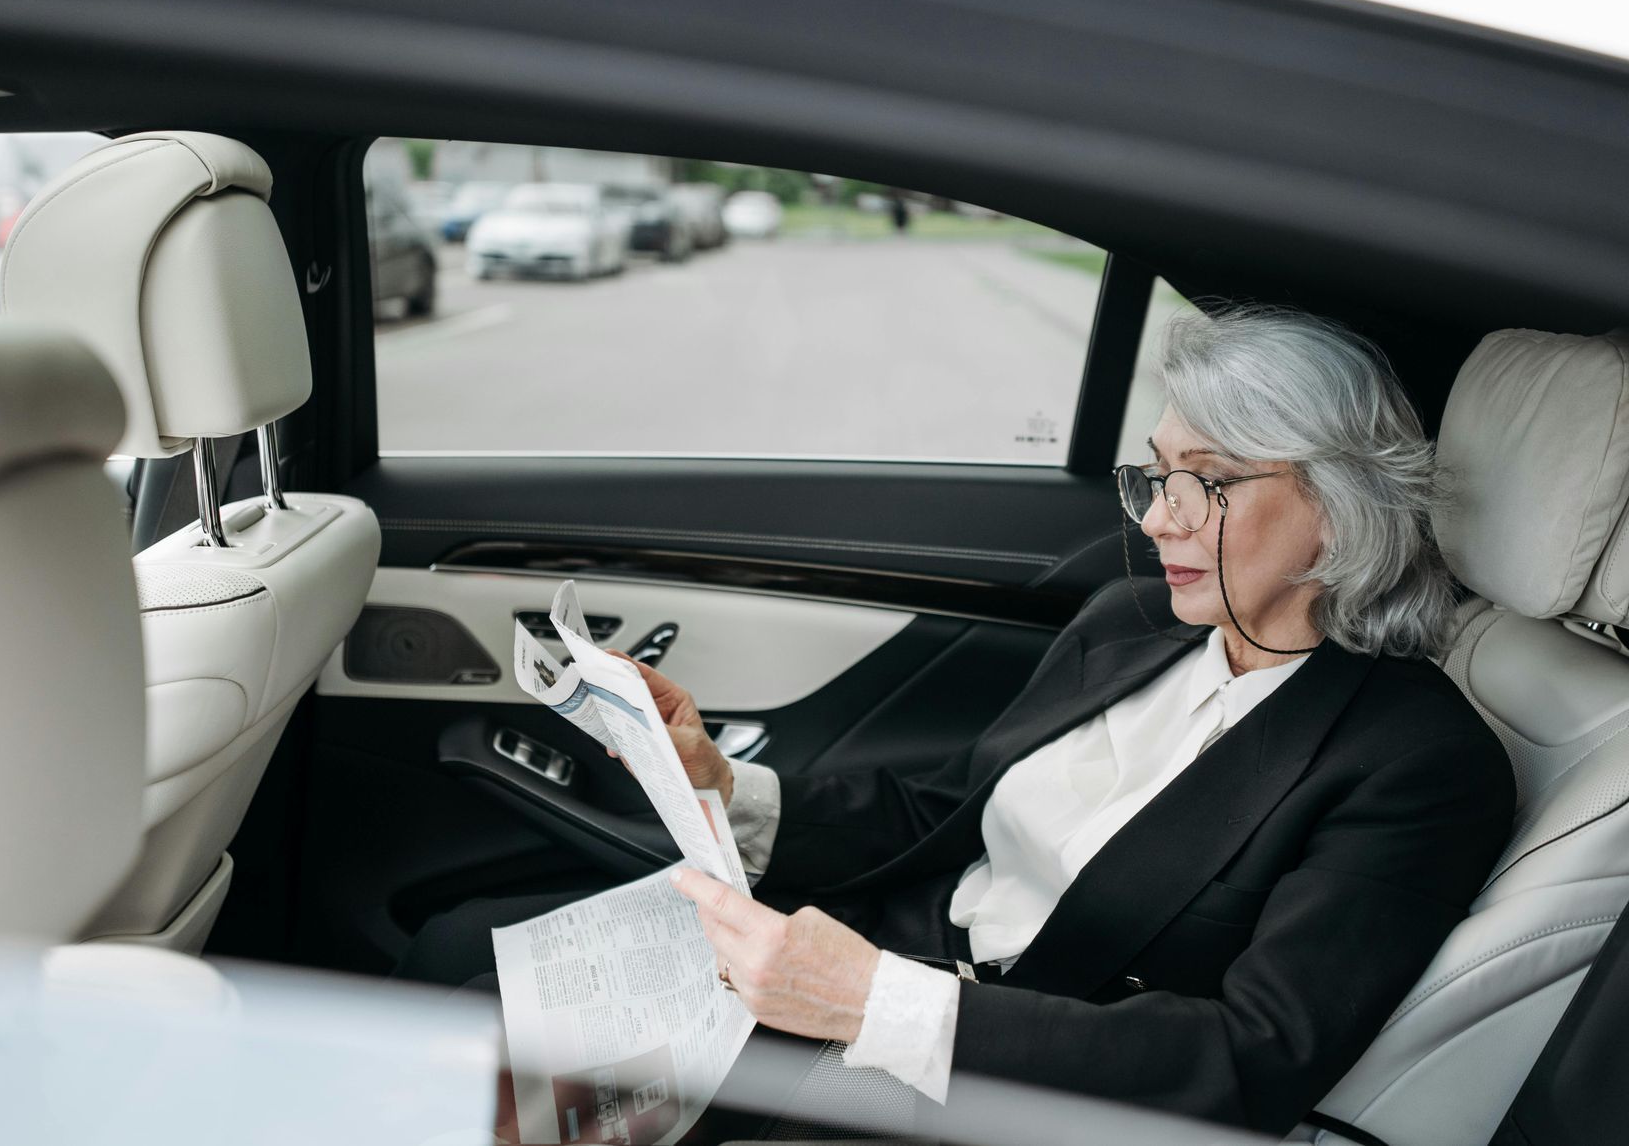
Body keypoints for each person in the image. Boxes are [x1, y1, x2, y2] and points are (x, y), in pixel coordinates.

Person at [400, 304, 1515, 1137]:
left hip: (991, 1075)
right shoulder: (1133, 622)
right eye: (1158, 473)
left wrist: (876, 1002)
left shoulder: (1414, 761)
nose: (1161, 517)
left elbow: (1252, 1055)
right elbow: (951, 810)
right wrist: (722, 784)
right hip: (866, 960)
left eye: (1210, 483)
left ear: (1338, 504)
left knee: (499, 1090)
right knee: (465, 1000)